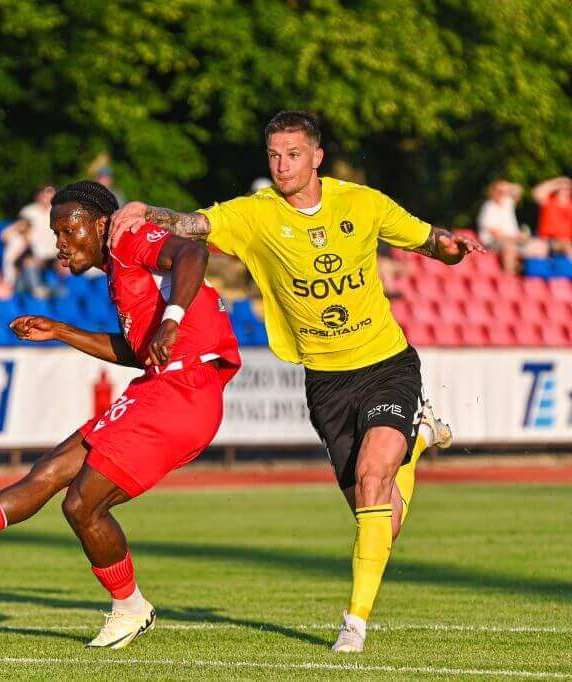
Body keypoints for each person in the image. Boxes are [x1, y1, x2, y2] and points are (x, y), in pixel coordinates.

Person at [109, 110, 481, 653]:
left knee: (376, 479)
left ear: (316, 158)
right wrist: (147, 211)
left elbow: (428, 241)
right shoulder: (254, 216)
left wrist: (452, 246)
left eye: (293, 155)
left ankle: (353, 625)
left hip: (386, 364)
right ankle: (418, 440)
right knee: (378, 515)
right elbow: (192, 224)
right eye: (274, 156)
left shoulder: (363, 202)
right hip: (326, 384)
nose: (282, 166)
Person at [0, 181, 241, 650]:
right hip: (162, 386)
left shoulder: (127, 238)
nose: (61, 244)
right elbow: (136, 351)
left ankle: (130, 608)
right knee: (48, 472)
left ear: (101, 223)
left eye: (69, 230)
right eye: (55, 235)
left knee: (82, 504)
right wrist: (62, 331)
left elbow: (191, 252)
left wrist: (171, 319)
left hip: (184, 390)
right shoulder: (119, 271)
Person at [476, 180, 527, 273]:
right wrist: (515, 238)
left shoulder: (507, 203)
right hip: (493, 242)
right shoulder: (488, 208)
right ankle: (509, 277)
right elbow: (496, 234)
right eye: (500, 191)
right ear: (492, 192)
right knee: (509, 247)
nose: (502, 194)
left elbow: (519, 190)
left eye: (505, 192)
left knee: (539, 247)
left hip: (513, 239)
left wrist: (509, 187)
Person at [531, 176, 572, 253]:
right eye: (562, 188)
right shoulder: (548, 201)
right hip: (548, 240)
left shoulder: (570, 204)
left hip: (566, 241)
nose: (565, 190)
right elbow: (537, 193)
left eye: (567, 188)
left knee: (567, 246)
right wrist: (556, 182)